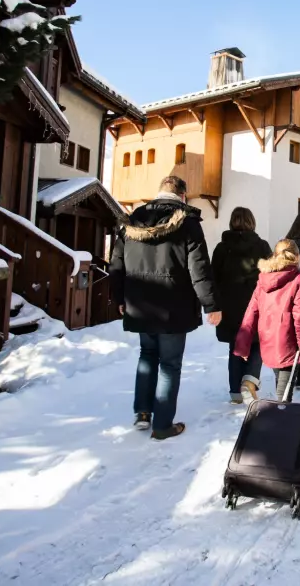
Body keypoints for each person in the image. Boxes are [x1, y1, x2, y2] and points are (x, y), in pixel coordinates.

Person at [110, 176, 221, 440]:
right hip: (174, 305)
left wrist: (119, 299)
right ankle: (162, 425)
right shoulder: (188, 223)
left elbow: (116, 264)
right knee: (169, 364)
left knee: (147, 354)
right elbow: (200, 269)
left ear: (158, 193)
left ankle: (143, 413)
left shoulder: (132, 220)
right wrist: (211, 305)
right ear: (183, 196)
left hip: (139, 302)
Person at [233, 239, 300, 403]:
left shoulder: (263, 280)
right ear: (297, 257)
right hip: (289, 342)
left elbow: (251, 314)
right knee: (284, 394)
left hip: (268, 340)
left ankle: (280, 417)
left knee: (281, 386)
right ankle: (281, 422)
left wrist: (242, 346)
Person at [211, 207, 272, 405]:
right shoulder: (262, 246)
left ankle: (235, 393)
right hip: (256, 303)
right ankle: (250, 380)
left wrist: (214, 304)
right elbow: (271, 275)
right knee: (257, 342)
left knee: (235, 346)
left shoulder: (222, 248)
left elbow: (213, 278)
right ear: (252, 222)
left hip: (229, 305)